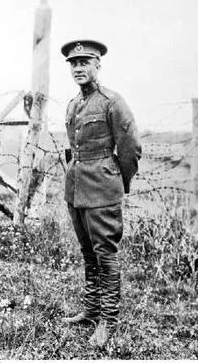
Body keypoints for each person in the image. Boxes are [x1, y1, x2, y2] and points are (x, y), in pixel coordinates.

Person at [60, 40, 141, 346]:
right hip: (77, 189)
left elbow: (131, 148)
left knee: (106, 255)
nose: (78, 68)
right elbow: (74, 148)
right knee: (88, 252)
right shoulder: (73, 104)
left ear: (98, 65)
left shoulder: (111, 101)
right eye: (73, 63)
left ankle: (108, 319)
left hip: (103, 188)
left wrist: (119, 183)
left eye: (85, 62)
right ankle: (92, 310)